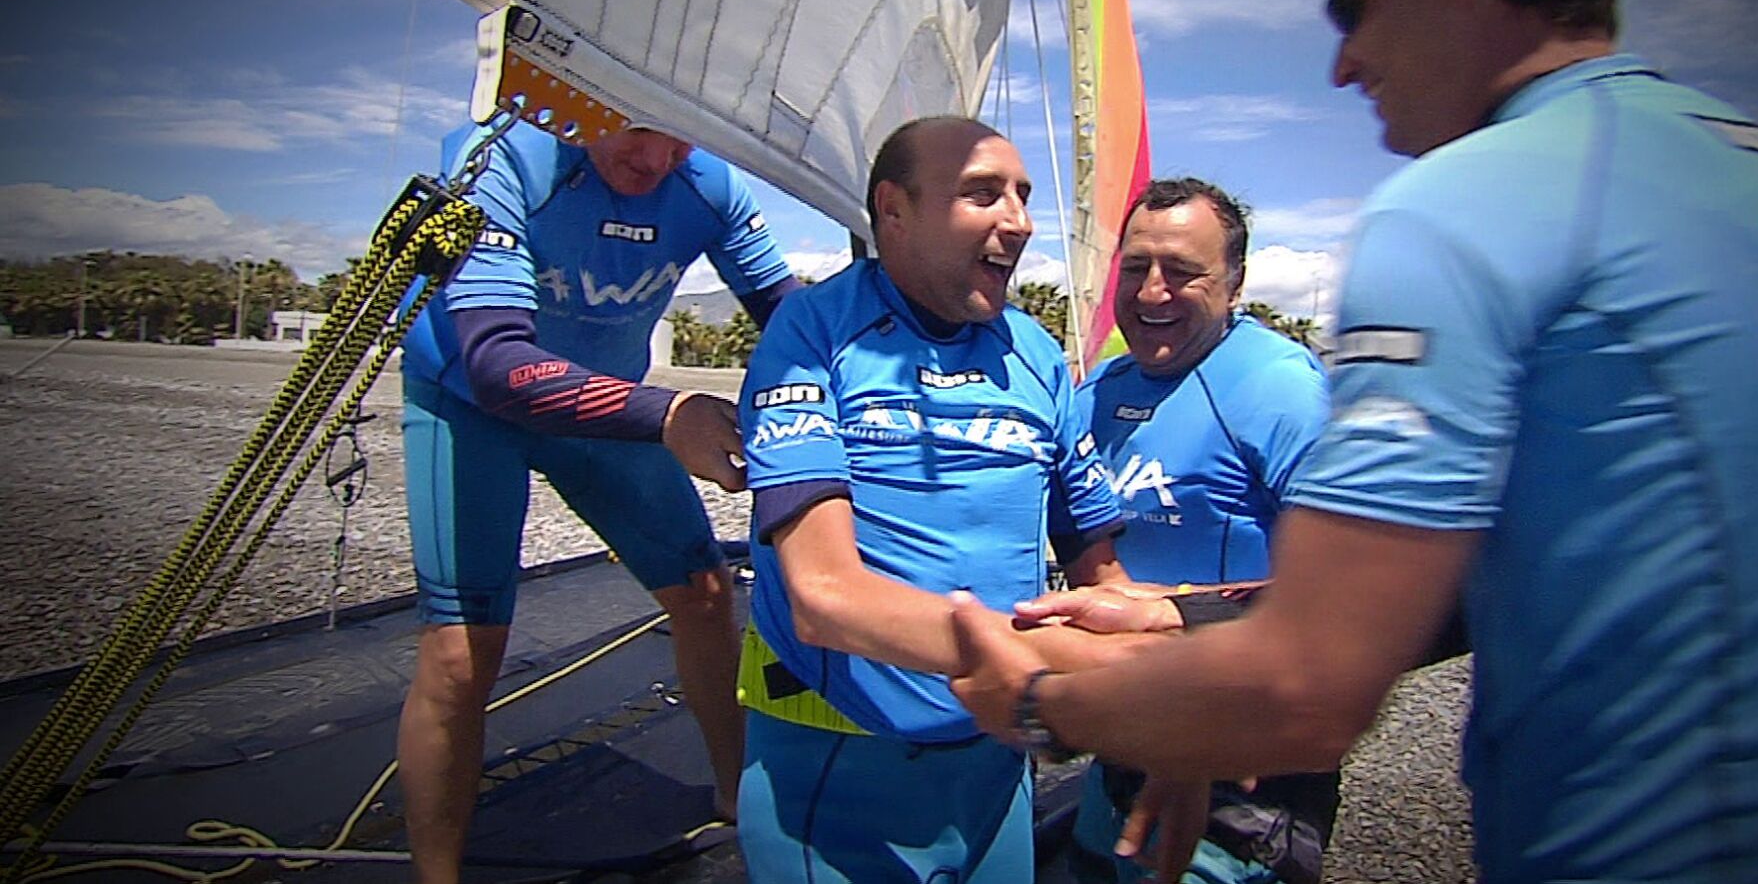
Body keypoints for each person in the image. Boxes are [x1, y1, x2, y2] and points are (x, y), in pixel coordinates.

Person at [949, 0, 1758, 883]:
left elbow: (1309, 686)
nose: (1344, 61)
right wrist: (1185, 661)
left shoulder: (1464, 207)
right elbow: (1448, 588)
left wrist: (1044, 700)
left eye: (1356, 3)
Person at [734, 115, 1140, 883]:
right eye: (982, 193)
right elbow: (822, 594)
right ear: (893, 208)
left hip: (993, 778)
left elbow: (1102, 575)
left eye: (1022, 195)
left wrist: (1167, 724)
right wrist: (1039, 663)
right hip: (836, 774)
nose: (1018, 220)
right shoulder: (813, 331)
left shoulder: (1037, 355)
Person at [397, 119, 799, 884]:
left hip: (602, 409)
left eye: (678, 141)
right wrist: (669, 414)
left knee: (707, 593)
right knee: (459, 656)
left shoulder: (707, 183)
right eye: (634, 133)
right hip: (470, 406)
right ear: (580, 101)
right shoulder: (509, 154)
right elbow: (492, 361)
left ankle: (733, 798)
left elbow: (794, 320)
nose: (655, 160)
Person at [1057, 178, 1335, 884]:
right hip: (1124, 735)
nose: (1152, 293)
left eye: (1182, 272)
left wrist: (1179, 612)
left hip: (1242, 763)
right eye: (1136, 268)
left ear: (1234, 283)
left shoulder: (1277, 386)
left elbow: (1349, 585)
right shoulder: (1097, 392)